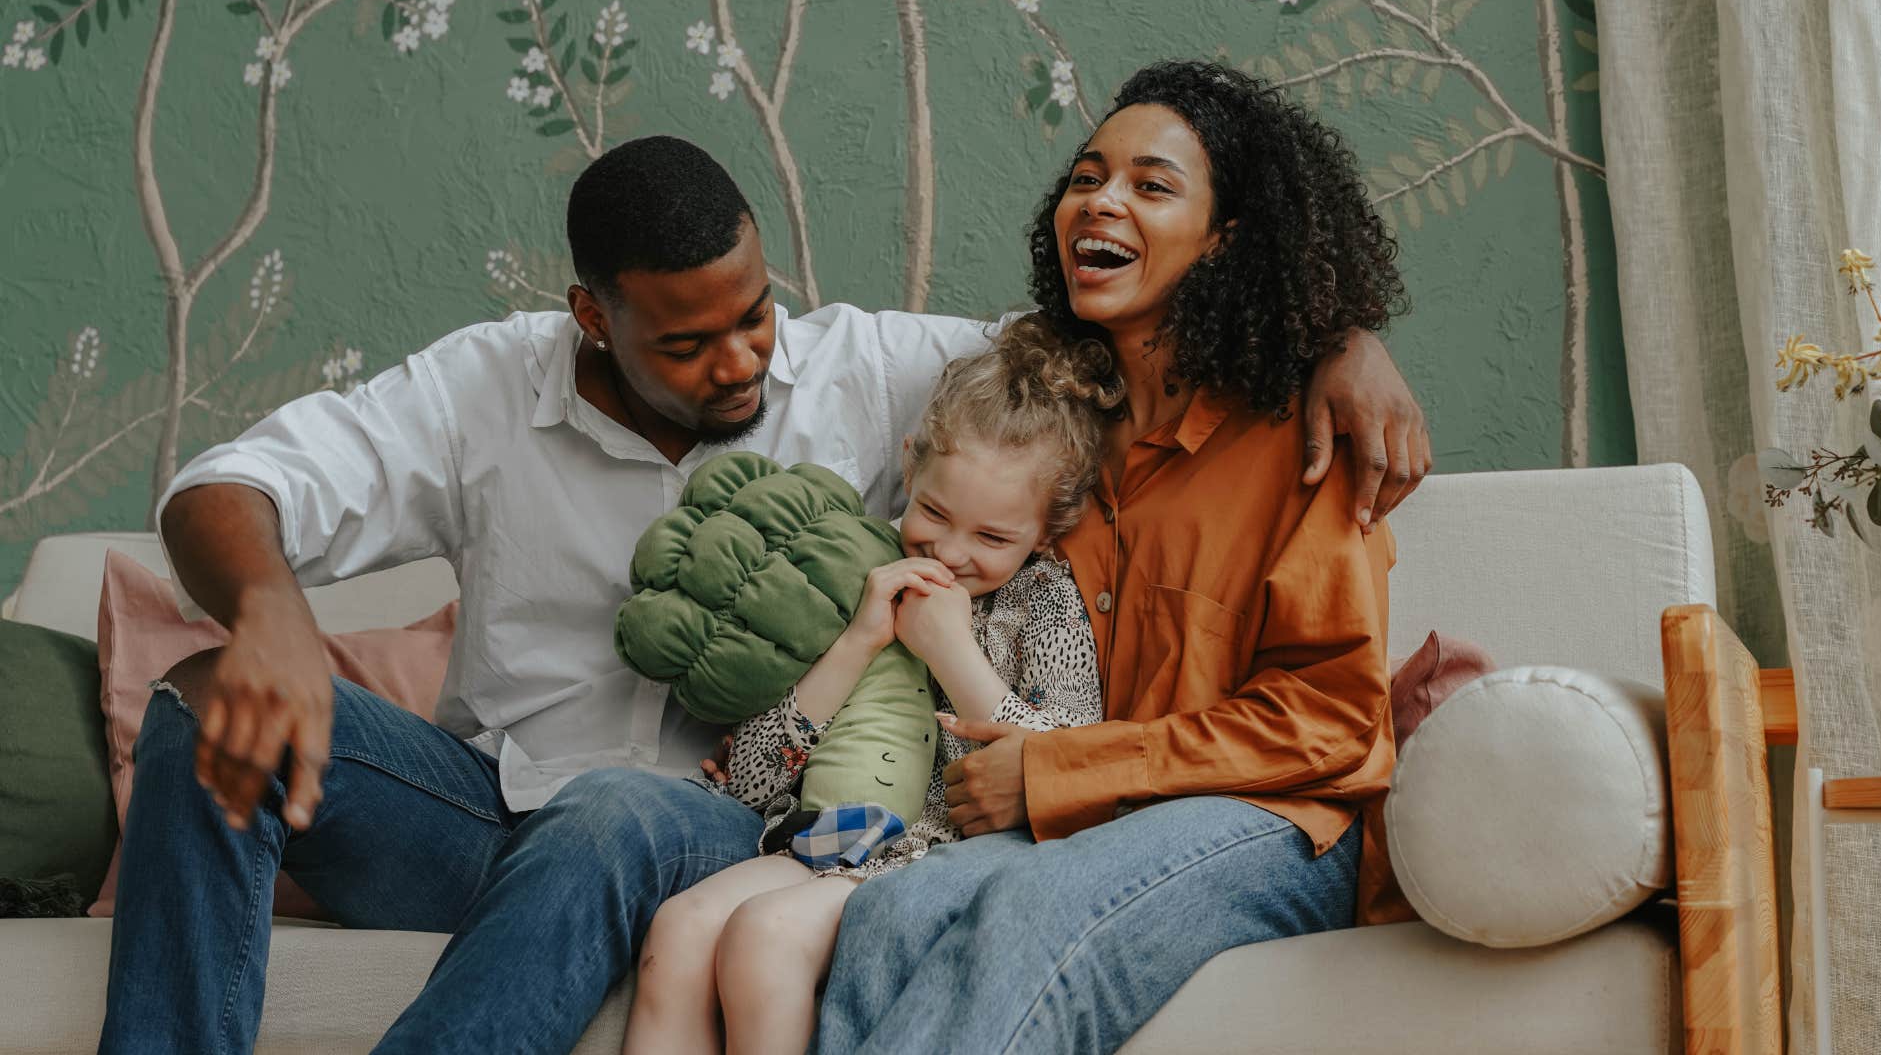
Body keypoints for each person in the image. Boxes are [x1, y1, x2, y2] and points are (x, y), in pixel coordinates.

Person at [98, 132, 1425, 1054]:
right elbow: (237, 484)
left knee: (616, 810)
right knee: (195, 701)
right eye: (687, 341)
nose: (741, 361)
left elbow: (1118, 342)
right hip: (482, 813)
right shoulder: (480, 390)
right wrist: (270, 613)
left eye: (756, 315)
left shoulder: (871, 370)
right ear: (589, 316)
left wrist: (1339, 336)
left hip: (719, 823)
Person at [814, 60, 1413, 1054]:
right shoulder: (1048, 420)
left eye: (1152, 184)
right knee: (884, 920)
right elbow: (830, 351)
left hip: (1270, 825)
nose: (1103, 200)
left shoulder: (1303, 433)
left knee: (1036, 913)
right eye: (1088, 176)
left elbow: (1335, 721)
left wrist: (1063, 770)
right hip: (1087, 821)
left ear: (1225, 239)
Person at [626, 319, 1115, 1055]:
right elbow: (750, 788)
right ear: (911, 466)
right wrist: (859, 639)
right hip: (826, 840)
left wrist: (950, 650)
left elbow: (1070, 769)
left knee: (764, 935)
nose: (948, 554)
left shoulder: (1041, 601)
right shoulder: (857, 568)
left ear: (1046, 531)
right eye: (935, 514)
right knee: (681, 927)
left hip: (951, 856)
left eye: (992, 538)